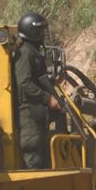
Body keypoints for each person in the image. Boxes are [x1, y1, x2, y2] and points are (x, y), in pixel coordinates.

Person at [13, 12, 59, 170]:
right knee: (33, 154)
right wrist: (47, 98)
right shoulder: (25, 52)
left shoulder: (31, 50)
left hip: (35, 112)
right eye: (40, 30)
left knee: (41, 153)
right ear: (32, 31)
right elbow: (24, 81)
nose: (42, 34)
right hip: (28, 114)